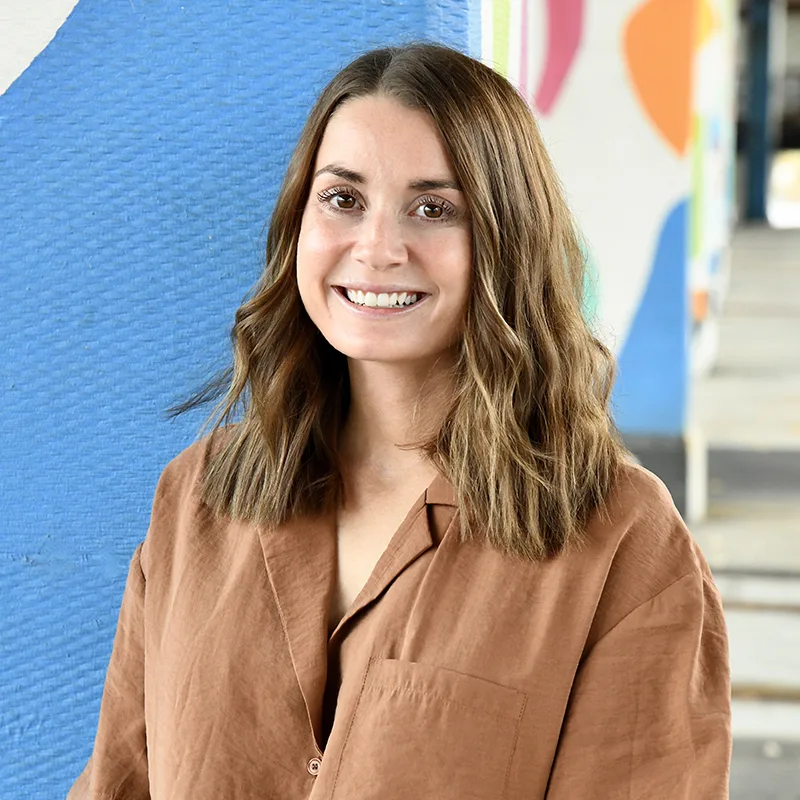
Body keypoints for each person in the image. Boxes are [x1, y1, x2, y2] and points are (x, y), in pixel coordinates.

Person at [68, 43, 731, 799]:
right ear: (298, 227)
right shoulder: (195, 500)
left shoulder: (622, 543)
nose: (378, 248)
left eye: (433, 208)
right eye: (343, 199)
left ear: (506, 243)